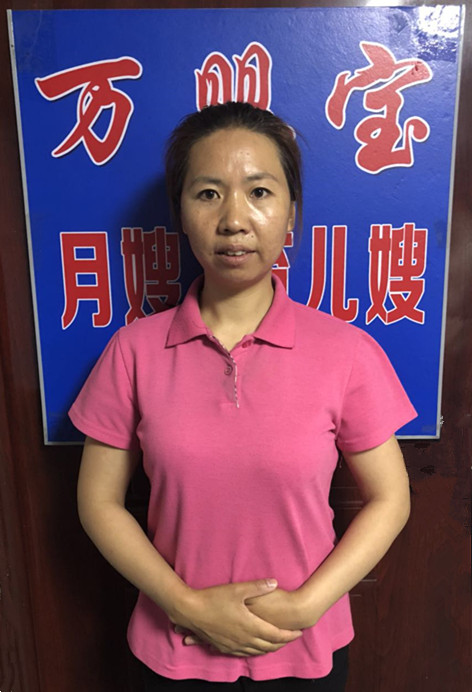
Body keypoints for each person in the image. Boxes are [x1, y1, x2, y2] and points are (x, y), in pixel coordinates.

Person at [69, 102, 416, 691]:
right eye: (208, 194)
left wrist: (307, 606)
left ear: (291, 213)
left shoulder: (347, 352)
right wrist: (185, 604)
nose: (234, 219)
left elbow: (391, 498)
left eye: (259, 192)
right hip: (174, 646)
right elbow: (98, 502)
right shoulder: (133, 351)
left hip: (303, 648)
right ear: (180, 212)